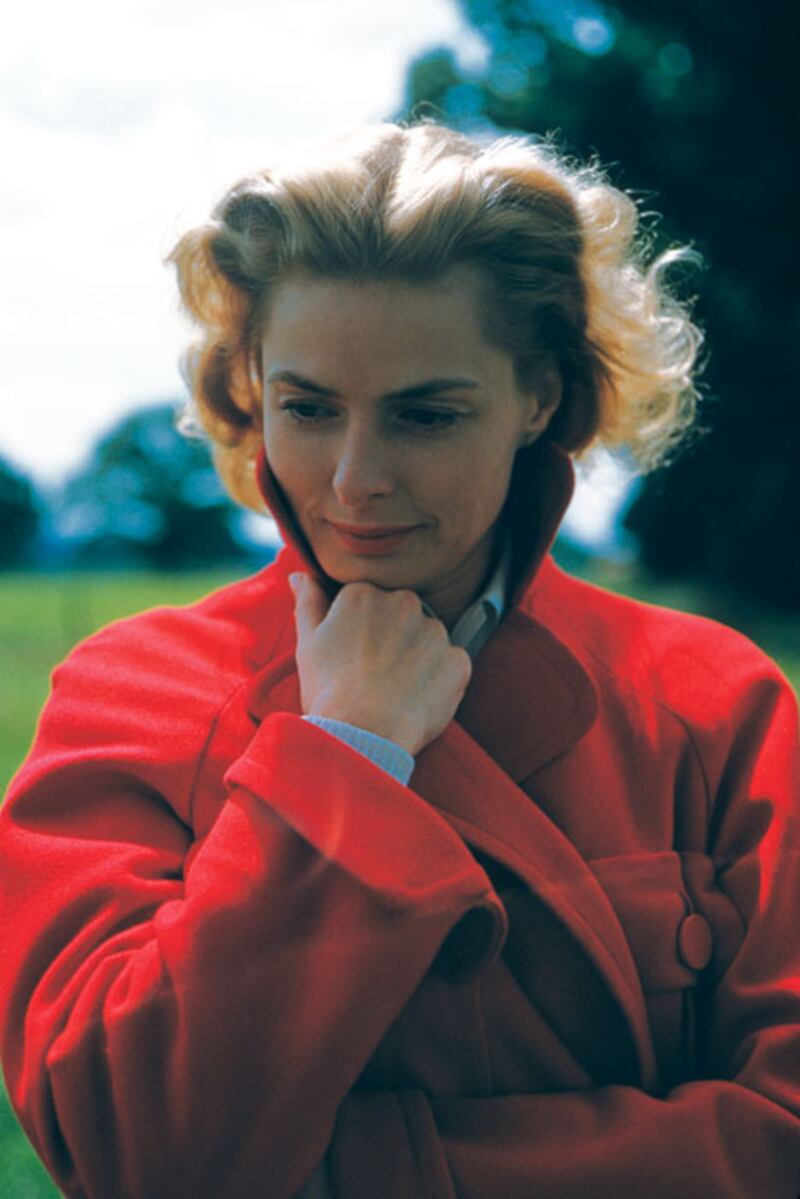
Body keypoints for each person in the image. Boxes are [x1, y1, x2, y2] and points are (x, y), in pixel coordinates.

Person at [0, 119, 798, 1199]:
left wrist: (367, 1172)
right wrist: (344, 753)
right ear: (251, 387)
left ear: (538, 397)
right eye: (307, 408)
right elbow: (128, 1149)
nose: (355, 478)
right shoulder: (132, 696)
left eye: (424, 414)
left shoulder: (712, 699)